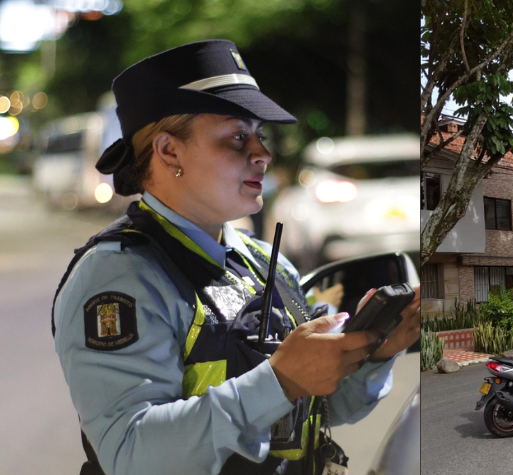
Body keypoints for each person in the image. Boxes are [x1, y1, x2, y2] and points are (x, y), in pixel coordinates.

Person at [51, 40, 421, 475]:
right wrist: (277, 381)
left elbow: (320, 410)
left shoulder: (268, 263)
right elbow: (130, 455)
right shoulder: (119, 275)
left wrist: (375, 354)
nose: (262, 154)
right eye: (237, 137)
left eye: (259, 135)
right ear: (169, 151)